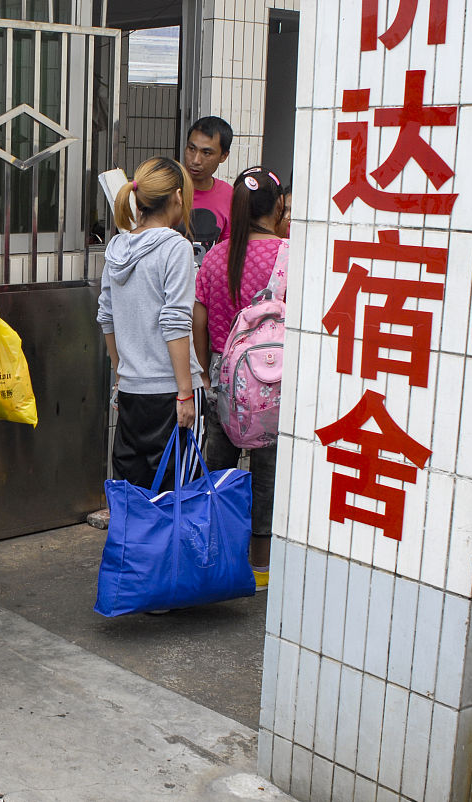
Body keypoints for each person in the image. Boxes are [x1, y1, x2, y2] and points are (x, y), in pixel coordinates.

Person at [193, 166, 288, 590]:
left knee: (218, 467)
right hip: (275, 378)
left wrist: (208, 373)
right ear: (279, 204)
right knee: (267, 469)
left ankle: (214, 555)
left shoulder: (216, 256)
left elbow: (198, 319)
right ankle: (260, 565)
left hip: (221, 374)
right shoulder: (290, 254)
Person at [97, 156, 204, 493]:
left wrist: (120, 373)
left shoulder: (117, 246)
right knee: (178, 498)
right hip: (171, 392)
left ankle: (138, 549)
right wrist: (185, 393)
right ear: (176, 195)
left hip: (131, 390)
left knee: (135, 495)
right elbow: (175, 321)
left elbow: (106, 315)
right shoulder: (176, 247)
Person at [181, 116, 234, 264]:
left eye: (206, 153)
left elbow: (229, 252)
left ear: (224, 156)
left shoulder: (229, 196)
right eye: (191, 149)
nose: (196, 160)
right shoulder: (165, 188)